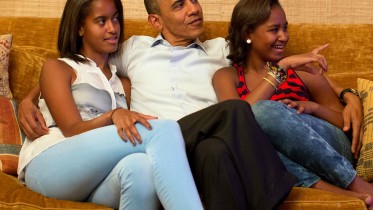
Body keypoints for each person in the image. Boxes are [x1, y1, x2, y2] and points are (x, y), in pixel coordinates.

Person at [18, 0, 363, 209]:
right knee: (233, 111)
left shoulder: (219, 50)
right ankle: (280, 192)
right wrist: (30, 99)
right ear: (156, 21)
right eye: (180, 4)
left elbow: (272, 52)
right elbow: (76, 67)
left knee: (217, 147)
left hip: (197, 150)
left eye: (194, 1)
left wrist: (347, 94)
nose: (194, 9)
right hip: (159, 140)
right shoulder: (131, 48)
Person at [16, 0, 205, 210]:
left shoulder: (123, 82)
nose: (113, 28)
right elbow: (71, 129)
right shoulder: (60, 68)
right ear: (80, 27)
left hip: (95, 176)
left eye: (115, 18)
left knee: (141, 168)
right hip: (50, 165)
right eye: (101, 21)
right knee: (164, 129)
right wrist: (112, 115)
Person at [212, 0, 373, 207]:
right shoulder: (227, 75)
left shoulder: (303, 72)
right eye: (274, 30)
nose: (284, 36)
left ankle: (356, 184)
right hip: (283, 162)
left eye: (285, 28)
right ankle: (344, 195)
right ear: (247, 34)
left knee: (263, 111)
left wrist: (312, 107)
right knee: (250, 142)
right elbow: (236, 120)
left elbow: (345, 125)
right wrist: (281, 68)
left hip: (331, 151)